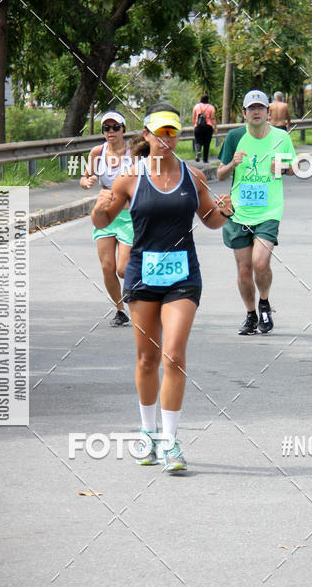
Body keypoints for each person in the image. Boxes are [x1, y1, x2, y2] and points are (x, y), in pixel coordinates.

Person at [91, 102, 232, 473]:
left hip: (183, 277)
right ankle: (147, 433)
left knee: (173, 356)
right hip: (142, 276)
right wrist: (99, 207)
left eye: (173, 133)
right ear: (147, 135)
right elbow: (103, 220)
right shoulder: (129, 179)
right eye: (160, 133)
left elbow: (210, 219)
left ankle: (170, 442)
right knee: (147, 359)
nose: (167, 139)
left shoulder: (192, 176)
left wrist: (224, 211)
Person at [216, 89, 295, 335]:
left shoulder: (282, 137)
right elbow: (220, 174)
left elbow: (293, 168)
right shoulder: (235, 137)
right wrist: (233, 163)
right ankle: (251, 315)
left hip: (269, 210)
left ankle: (264, 303)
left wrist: (281, 166)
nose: (257, 112)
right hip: (239, 212)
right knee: (243, 269)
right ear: (244, 113)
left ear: (268, 112)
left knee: (260, 263)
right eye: (252, 108)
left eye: (261, 107)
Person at [80, 110, 134, 327]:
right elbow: (84, 178)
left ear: (123, 129)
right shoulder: (97, 152)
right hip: (104, 215)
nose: (111, 131)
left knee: (123, 269)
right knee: (107, 267)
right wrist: (87, 182)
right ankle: (120, 310)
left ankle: (137, 286)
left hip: (129, 216)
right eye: (106, 128)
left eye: (115, 127)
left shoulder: (134, 152)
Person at [192, 94, 218, 163]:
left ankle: (198, 150)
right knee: (207, 143)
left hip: (198, 126)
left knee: (197, 141)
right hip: (208, 127)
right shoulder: (211, 107)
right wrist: (215, 127)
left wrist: (194, 125)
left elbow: (194, 117)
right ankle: (205, 159)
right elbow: (213, 118)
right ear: (208, 99)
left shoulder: (196, 106)